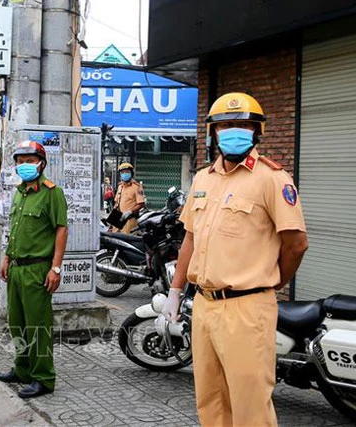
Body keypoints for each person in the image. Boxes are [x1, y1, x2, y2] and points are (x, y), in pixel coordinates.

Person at [162, 92, 308, 426]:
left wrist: (270, 282)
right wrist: (175, 289)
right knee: (210, 400)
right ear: (213, 132)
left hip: (247, 309)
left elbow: (296, 244)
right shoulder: (203, 179)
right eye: (225, 125)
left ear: (258, 131)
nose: (233, 131)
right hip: (203, 305)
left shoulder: (272, 179)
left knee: (249, 405)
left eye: (242, 125)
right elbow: (191, 238)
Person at [0, 140, 68, 399]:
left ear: (41, 163)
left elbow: (61, 229)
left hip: (38, 269)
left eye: (29, 161)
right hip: (15, 267)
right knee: (17, 323)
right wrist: (6, 258)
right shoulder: (19, 192)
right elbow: (14, 230)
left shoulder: (51, 192)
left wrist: (56, 268)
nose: (23, 165)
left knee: (38, 326)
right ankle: (22, 369)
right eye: (20, 161)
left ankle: (43, 377)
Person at [111, 162, 145, 233]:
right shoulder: (120, 186)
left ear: (131, 173)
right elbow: (116, 203)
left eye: (127, 172)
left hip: (129, 219)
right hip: (118, 217)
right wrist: (112, 218)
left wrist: (130, 212)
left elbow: (141, 203)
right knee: (113, 239)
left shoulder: (137, 187)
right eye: (122, 172)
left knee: (127, 240)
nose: (125, 174)